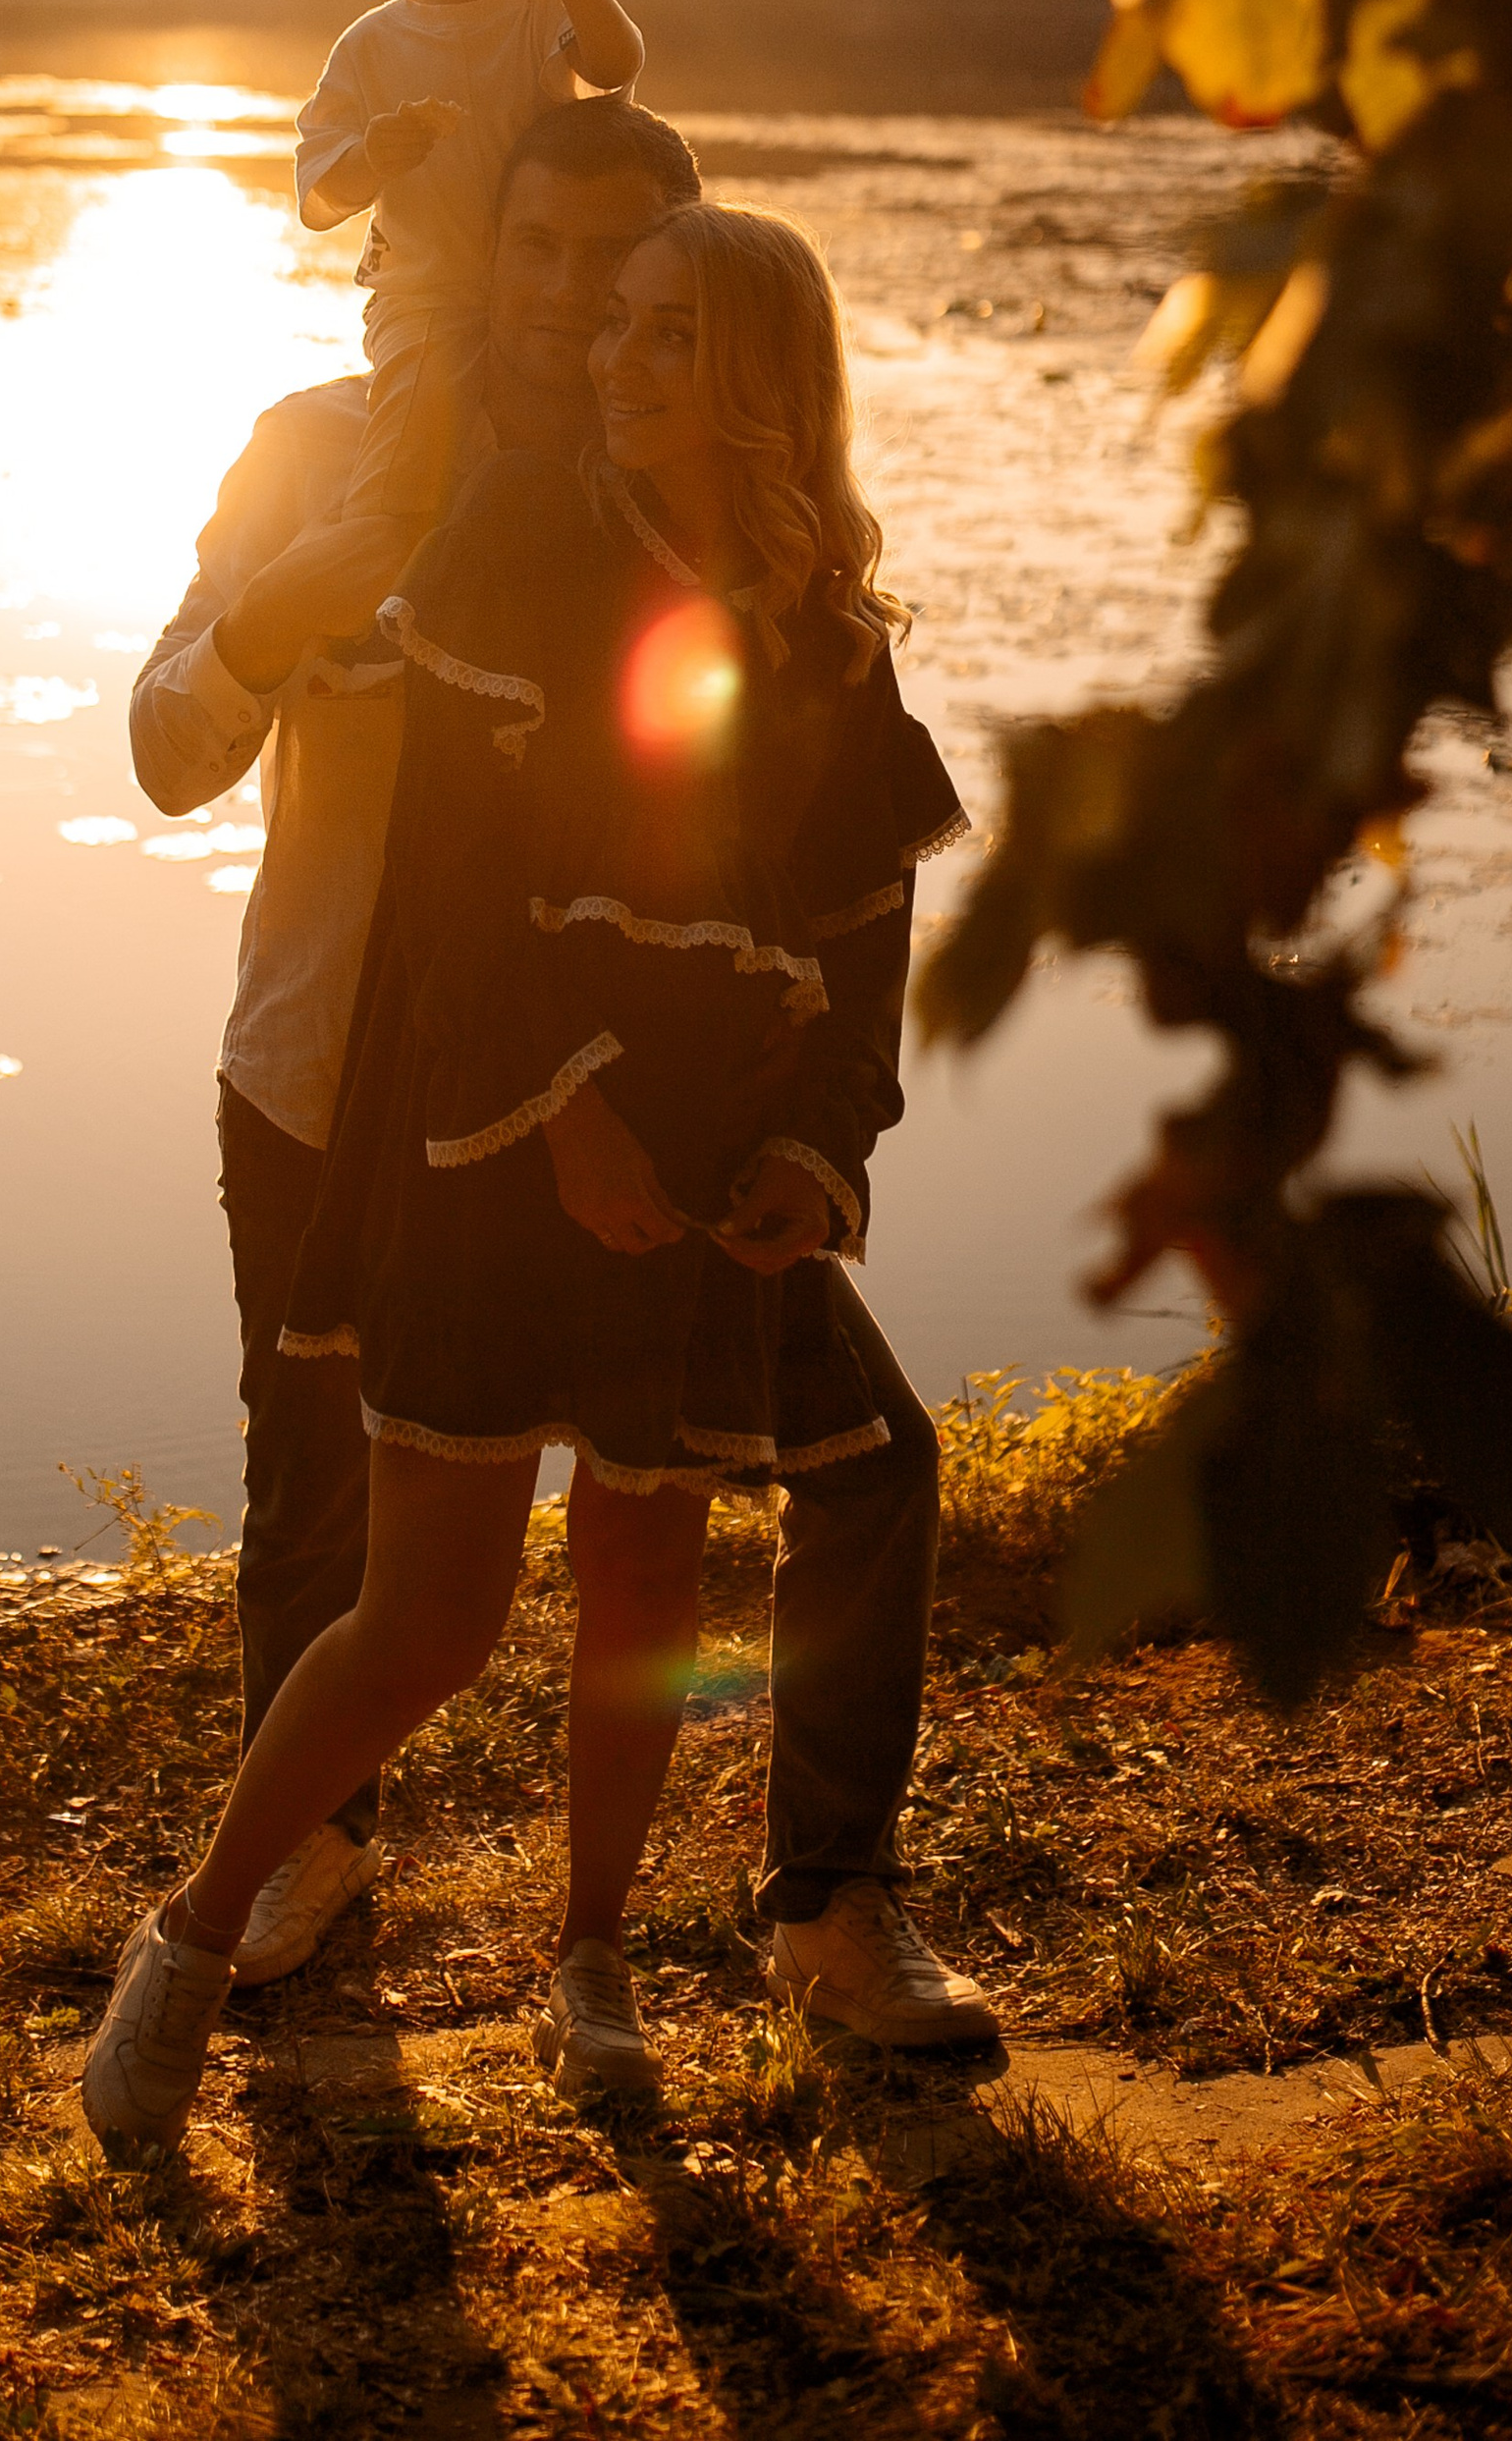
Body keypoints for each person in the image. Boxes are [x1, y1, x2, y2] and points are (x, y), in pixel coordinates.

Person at [95, 200, 993, 2158]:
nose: (612, 359)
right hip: (499, 1146)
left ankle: (598, 1959)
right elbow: (452, 887)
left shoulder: (827, 634)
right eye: (610, 323)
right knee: (426, 1614)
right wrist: (563, 1110)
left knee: (659, 1572)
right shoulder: (513, 539)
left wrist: (804, 1150)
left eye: (664, 335)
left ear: (763, 377)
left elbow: (862, 933)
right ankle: (189, 1930)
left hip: (705, 1165)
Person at [130, 96, 701, 1984]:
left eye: (615, 260)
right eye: (533, 247)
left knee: (638, 1502)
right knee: (312, 1494)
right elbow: (162, 752)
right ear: (480, 247)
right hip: (321, 1071)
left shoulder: (678, 464)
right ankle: (308, 1859)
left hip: (589, 1093)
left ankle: (642, 1932)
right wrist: (297, 605)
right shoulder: (317, 446)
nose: (564, 295)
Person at [295, 0, 645, 530]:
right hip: (430, 297)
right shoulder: (370, 47)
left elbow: (619, 66)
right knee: (412, 457)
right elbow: (319, 197)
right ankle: (373, 554)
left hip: (551, 290)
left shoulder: (544, 11)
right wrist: (373, 157)